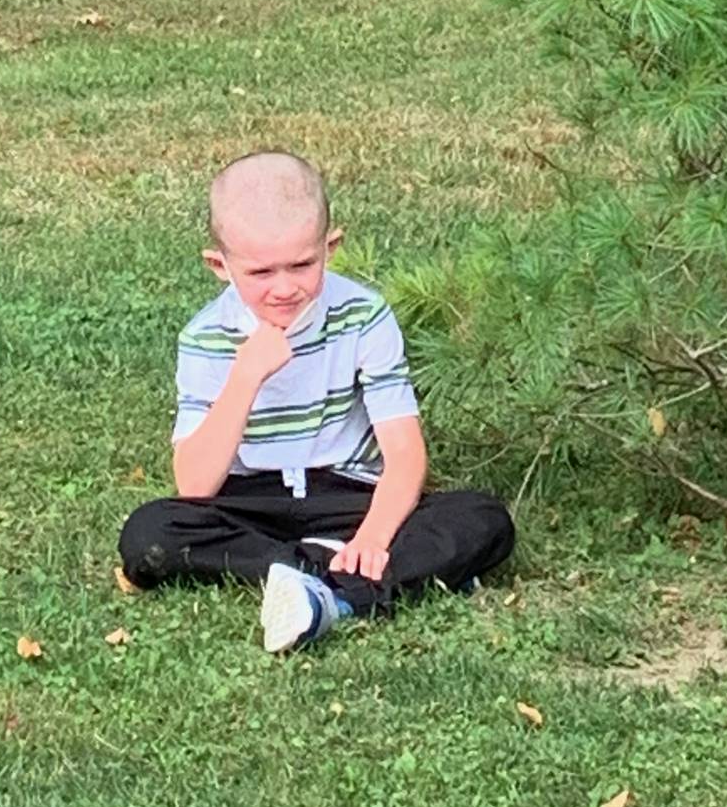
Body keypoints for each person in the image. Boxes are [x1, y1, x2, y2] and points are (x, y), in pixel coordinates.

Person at [118, 150, 515, 652]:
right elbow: (194, 485)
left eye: (303, 265)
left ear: (331, 247)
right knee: (149, 532)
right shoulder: (205, 338)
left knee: (483, 518)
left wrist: (372, 536)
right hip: (251, 502)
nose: (285, 288)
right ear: (219, 265)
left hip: (350, 496)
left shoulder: (363, 316)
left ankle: (325, 588)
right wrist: (245, 376)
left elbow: (405, 454)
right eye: (261, 273)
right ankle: (347, 577)